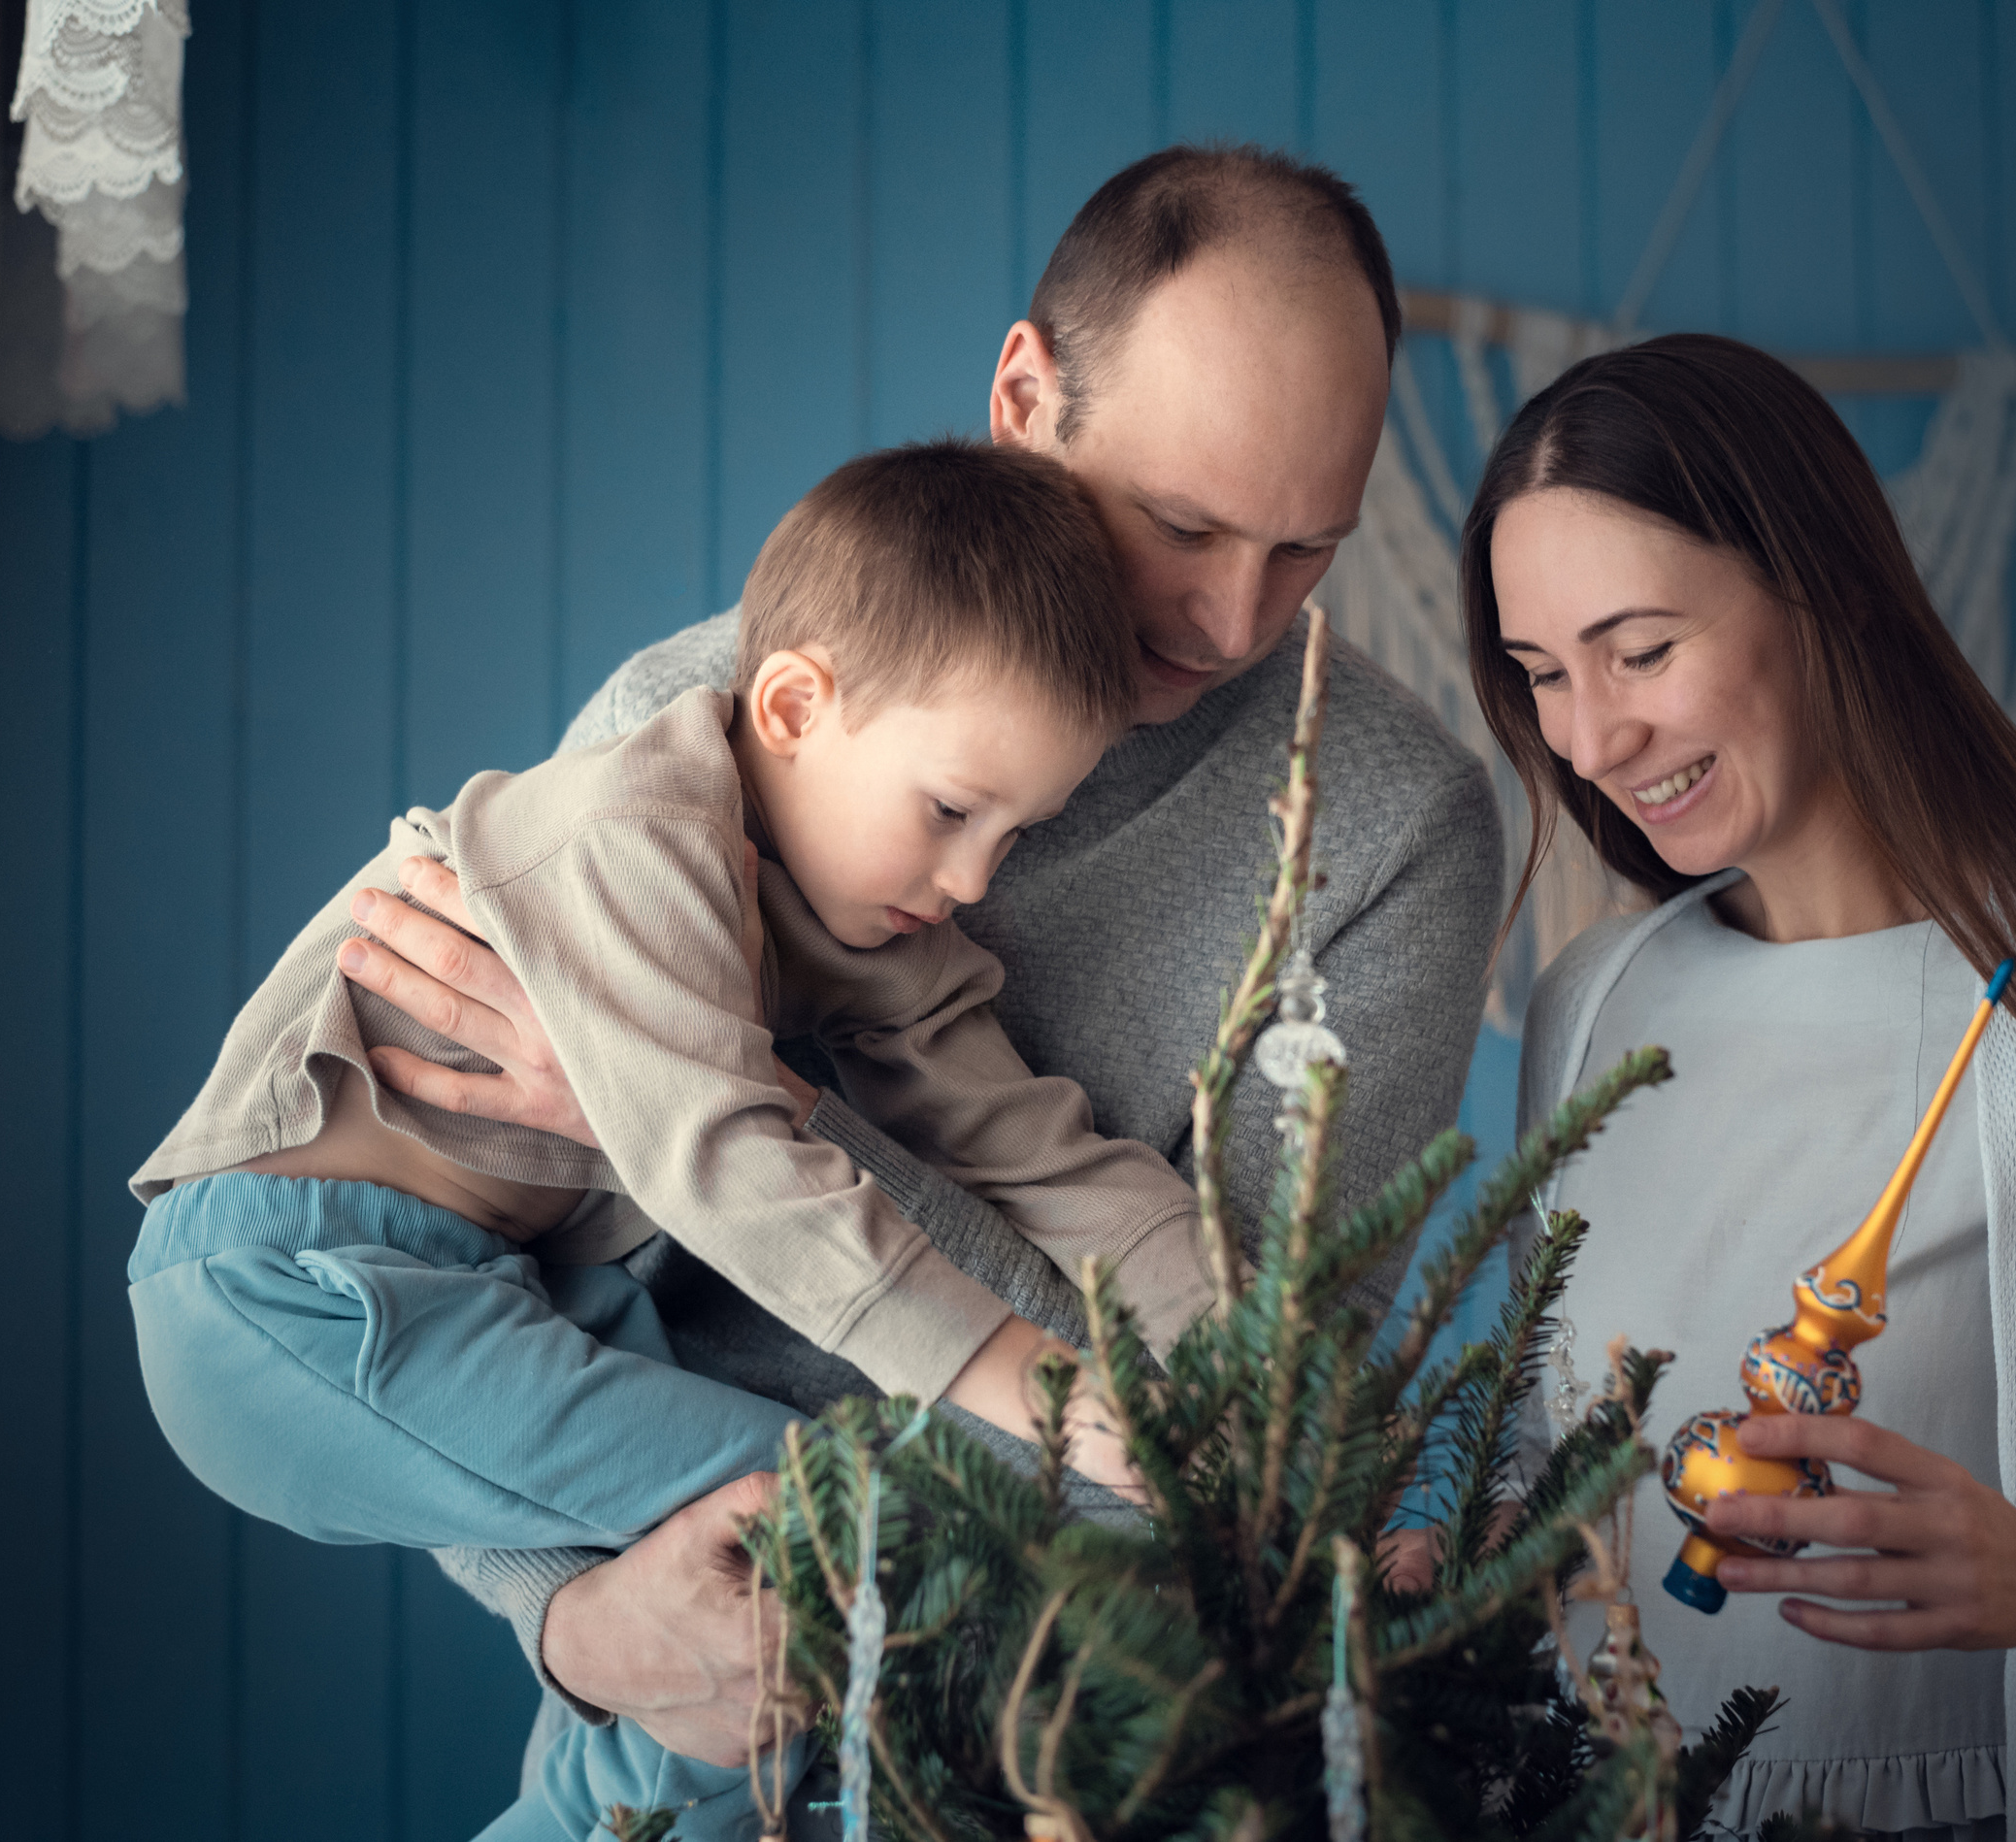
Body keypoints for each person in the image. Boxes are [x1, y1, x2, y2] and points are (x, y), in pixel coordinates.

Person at [314, 144, 1503, 1811]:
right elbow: (437, 1270)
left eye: (1307, 551)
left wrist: (714, 1117)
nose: (1235, 620)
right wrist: (572, 1622)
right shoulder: (698, 728)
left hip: (1085, 1744)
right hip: (673, 1721)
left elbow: (1242, 1432)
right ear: (1026, 393)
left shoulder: (1392, 833)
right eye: (1184, 524)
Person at [128, 440, 1234, 1840]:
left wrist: (1242, 1389)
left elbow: (1039, 1151)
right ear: (792, 704)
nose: (969, 880)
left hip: (482, 1294)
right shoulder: (636, 832)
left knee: (753, 1630)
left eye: (1015, 837)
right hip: (279, 1288)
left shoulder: (867, 914)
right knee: (851, 1529)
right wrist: (1061, 1397)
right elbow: (734, 1168)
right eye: (952, 810)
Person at [1471, 336, 2016, 1842]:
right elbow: (1554, 1469)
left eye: (1641, 649)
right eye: (1542, 675)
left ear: (1824, 593)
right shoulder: (1586, 1008)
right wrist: (1435, 1571)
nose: (1591, 739)